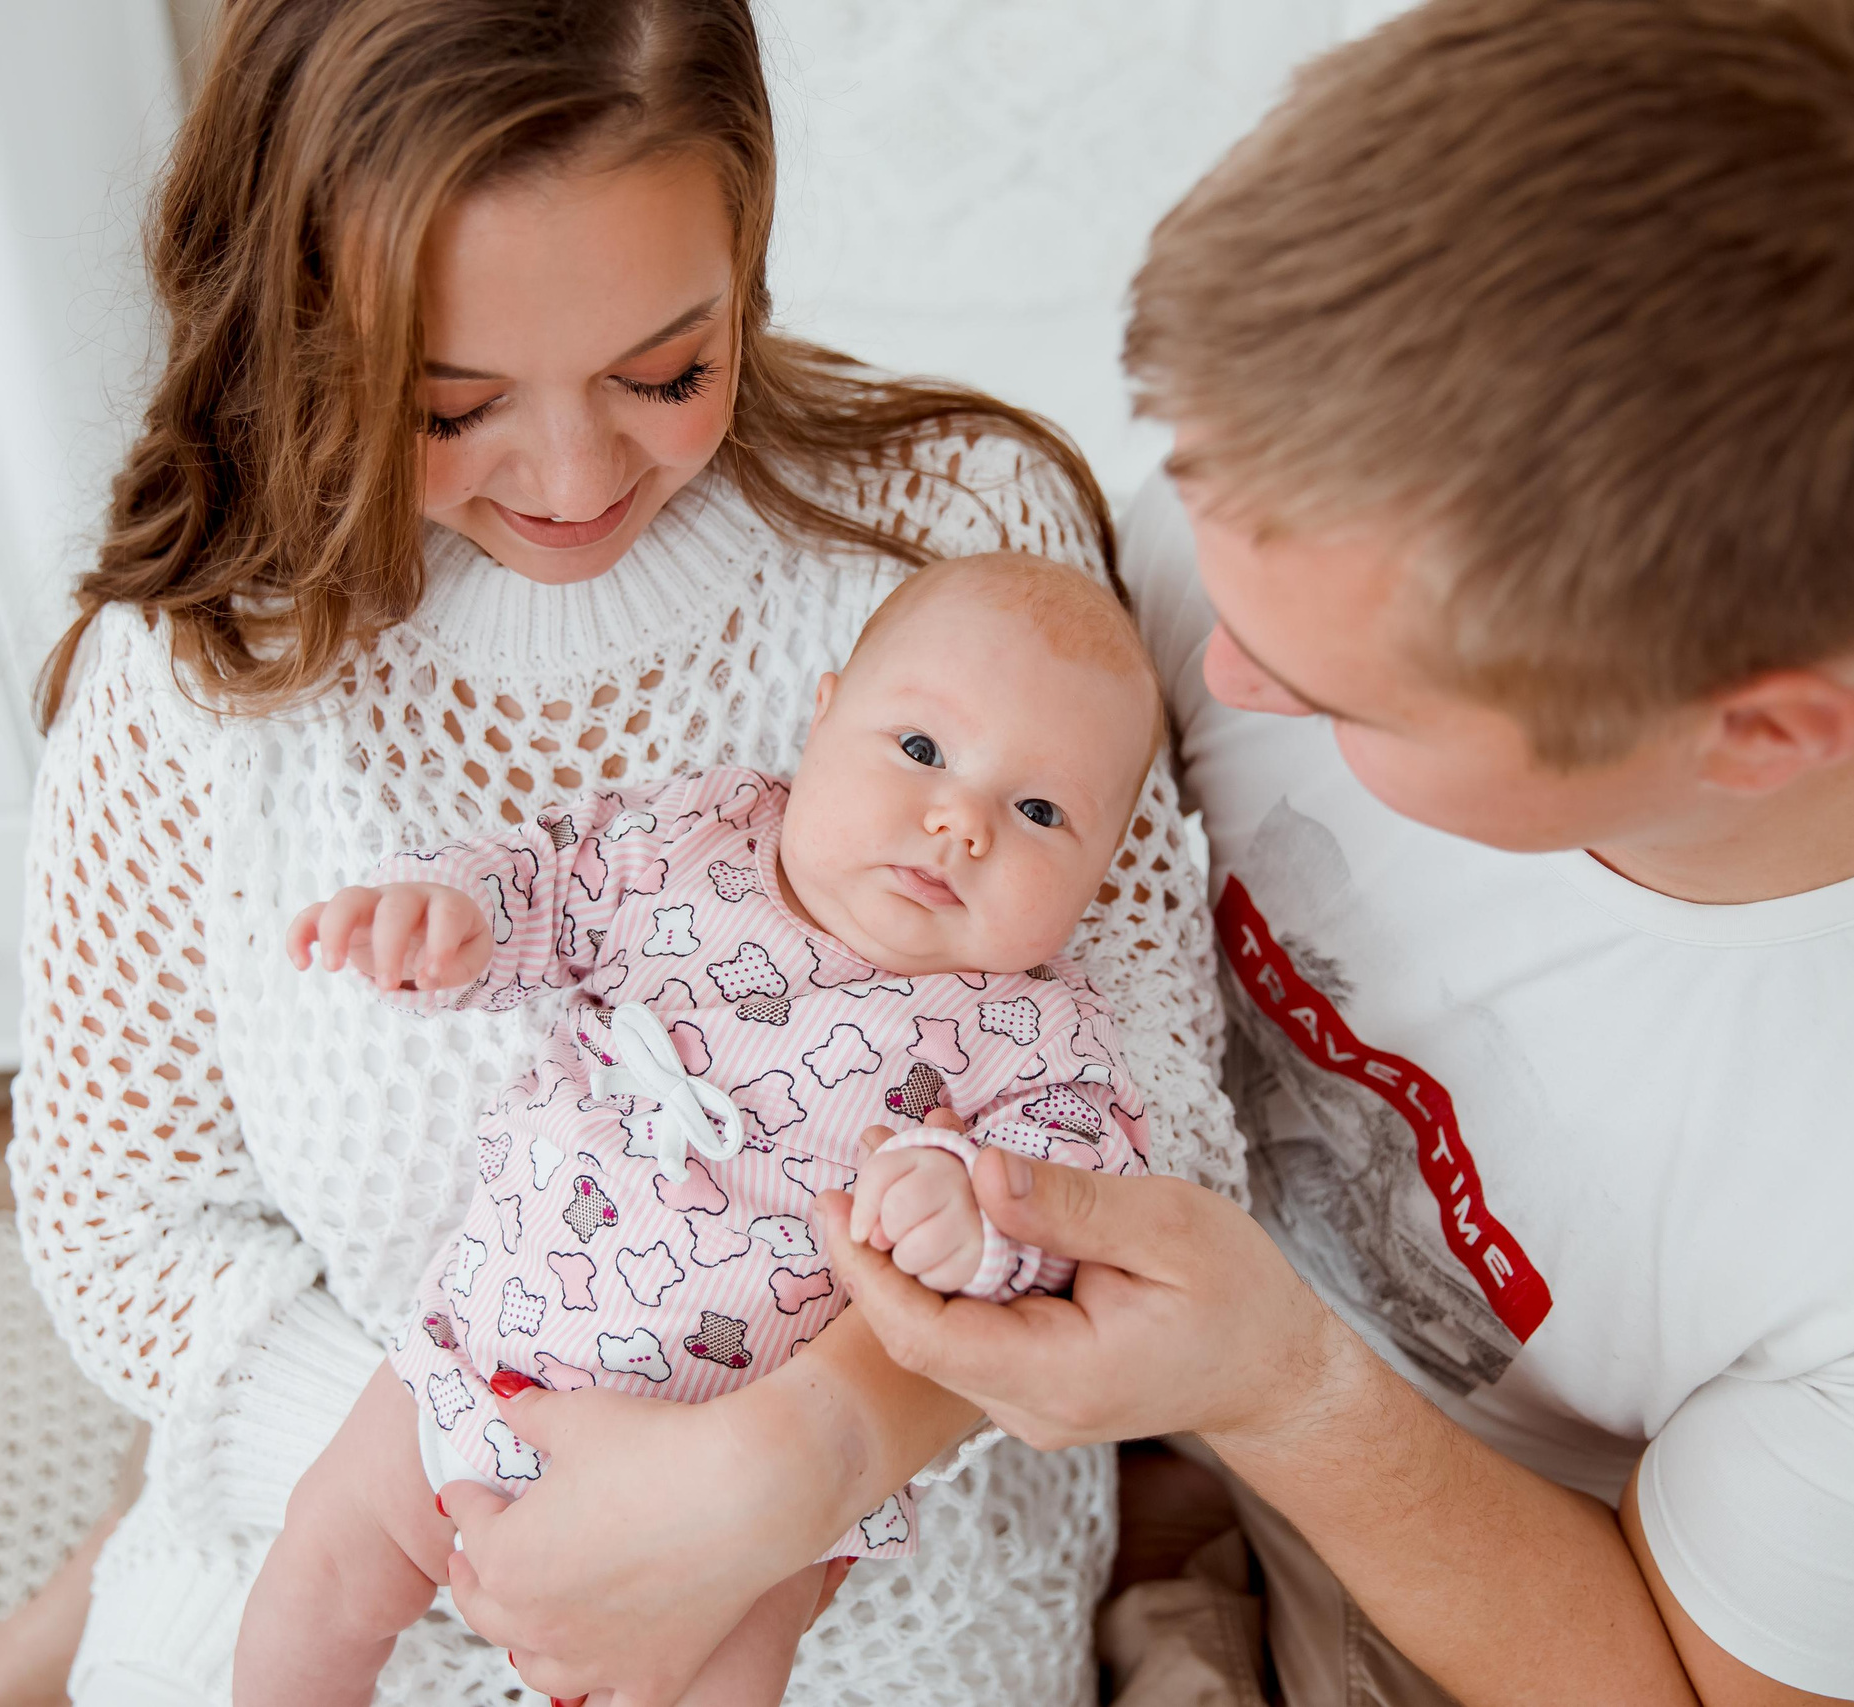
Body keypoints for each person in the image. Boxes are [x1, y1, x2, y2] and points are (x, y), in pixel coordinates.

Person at [820, 1, 1854, 1704]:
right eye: (1200, 510)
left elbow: (1676, 1687)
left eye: (1337, 695)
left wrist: (1276, 1387)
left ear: (1755, 732)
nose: (1216, 669)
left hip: (1482, 1568)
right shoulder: (1345, 478)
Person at [6, 2, 1244, 1703]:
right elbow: (118, 1227)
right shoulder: (207, 676)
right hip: (357, 1488)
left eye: (669, 370)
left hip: (865, 1577)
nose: (578, 477)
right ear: (306, 325)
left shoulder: (960, 555)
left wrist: (804, 1454)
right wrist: (461, 1489)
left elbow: (1161, 1169)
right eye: (451, 407)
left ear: (748, 245)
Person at [238, 555, 1163, 1706]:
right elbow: (548, 878)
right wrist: (452, 915)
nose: (956, 823)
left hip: (738, 1510)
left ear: (1102, 869)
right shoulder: (698, 836)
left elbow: (1093, 1207)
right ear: (822, 717)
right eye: (921, 751)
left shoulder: (1035, 1030)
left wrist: (978, 1224)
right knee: (315, 1575)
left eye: (1038, 811)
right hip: (470, 1366)